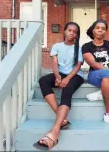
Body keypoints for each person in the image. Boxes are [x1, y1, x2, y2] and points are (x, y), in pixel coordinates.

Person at [33, 22, 84, 150]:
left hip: (75, 75)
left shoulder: (79, 48)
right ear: (65, 31)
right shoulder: (57, 46)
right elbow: (55, 63)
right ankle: (63, 120)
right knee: (43, 80)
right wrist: (57, 76)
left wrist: (66, 79)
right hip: (60, 73)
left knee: (67, 88)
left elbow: (78, 66)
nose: (72, 33)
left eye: (75, 32)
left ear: (77, 35)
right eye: (70, 30)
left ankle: (54, 132)